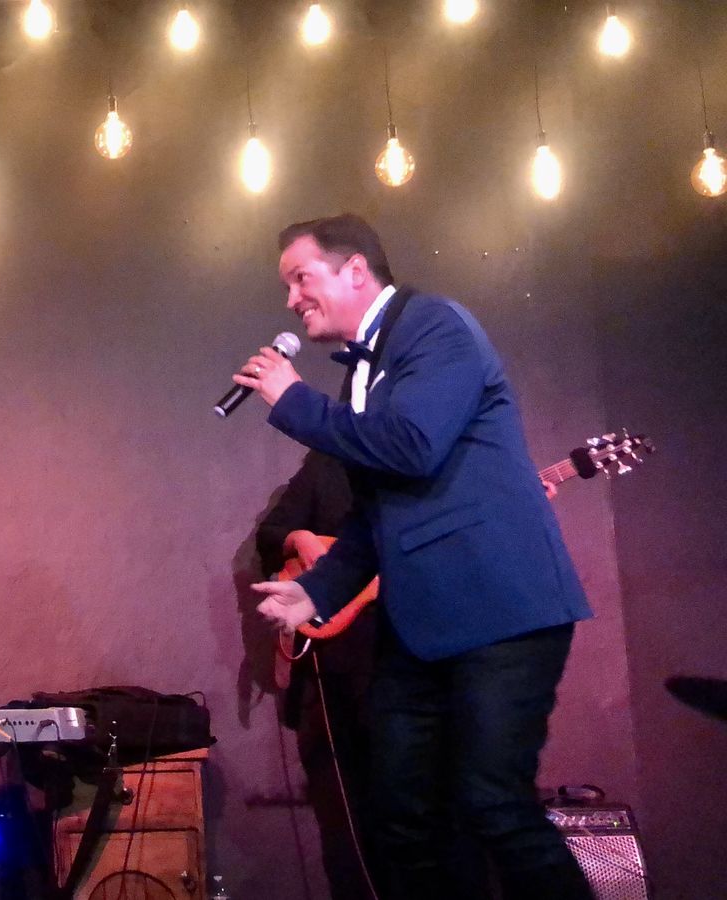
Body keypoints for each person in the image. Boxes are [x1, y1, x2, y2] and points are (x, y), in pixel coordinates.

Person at [239, 215, 594, 899]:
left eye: (300, 278)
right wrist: (317, 591)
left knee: (494, 805)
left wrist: (294, 401)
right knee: (400, 818)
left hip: (500, 614)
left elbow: (412, 446)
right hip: (422, 628)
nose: (291, 300)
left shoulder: (435, 326)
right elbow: (381, 511)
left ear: (355, 271)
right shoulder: (362, 373)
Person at [255, 450, 381, 900]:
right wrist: (301, 537)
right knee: (344, 817)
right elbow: (272, 534)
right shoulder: (328, 467)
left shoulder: (423, 471)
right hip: (335, 669)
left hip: (406, 666)